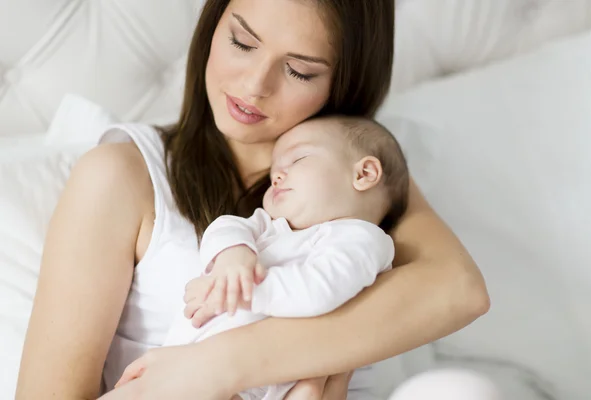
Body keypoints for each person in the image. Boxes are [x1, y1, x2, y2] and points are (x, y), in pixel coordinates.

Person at [16, 1, 491, 399]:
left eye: (299, 71)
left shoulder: (354, 178)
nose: (254, 85)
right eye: (242, 42)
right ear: (213, 24)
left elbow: (459, 290)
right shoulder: (123, 174)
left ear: (343, 82)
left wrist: (222, 364)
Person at [116, 115, 410, 400]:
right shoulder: (272, 226)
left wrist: (239, 291)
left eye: (297, 160)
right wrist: (233, 256)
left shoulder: (363, 240)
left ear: (364, 174)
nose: (277, 176)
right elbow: (226, 225)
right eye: (272, 175)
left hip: (255, 382)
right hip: (183, 362)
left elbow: (319, 290)